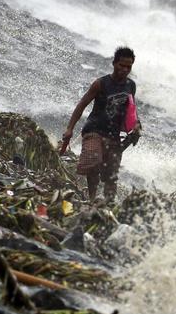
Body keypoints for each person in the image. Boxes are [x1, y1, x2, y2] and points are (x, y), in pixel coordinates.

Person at [59, 47, 142, 204]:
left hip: (114, 135)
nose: (125, 69)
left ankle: (109, 206)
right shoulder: (100, 84)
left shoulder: (131, 86)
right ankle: (91, 200)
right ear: (114, 63)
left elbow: (132, 110)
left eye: (128, 67)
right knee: (93, 164)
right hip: (94, 131)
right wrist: (70, 128)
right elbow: (81, 105)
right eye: (121, 65)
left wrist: (136, 125)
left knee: (111, 175)